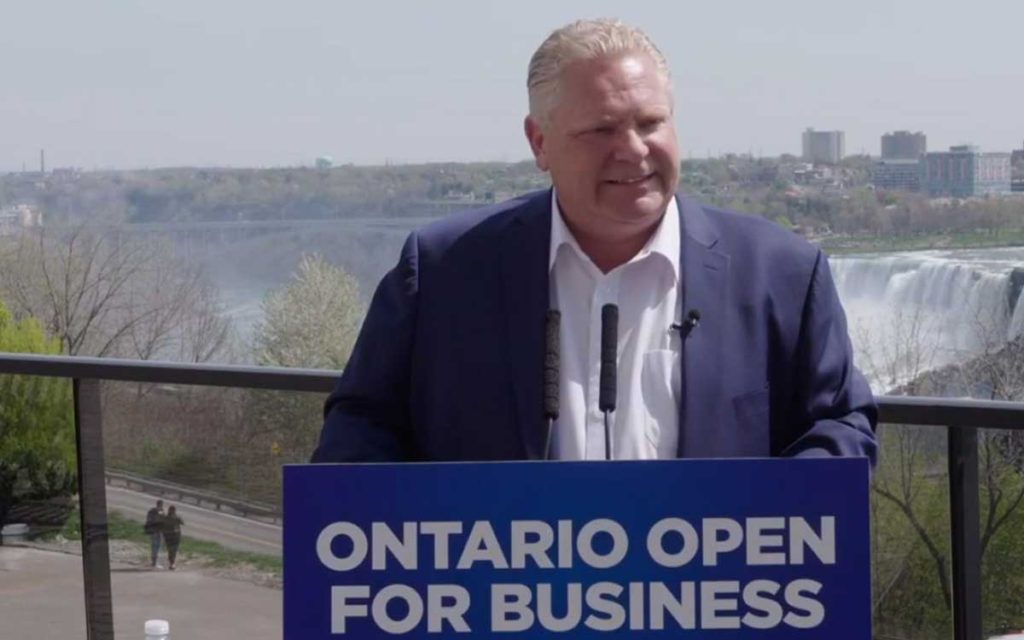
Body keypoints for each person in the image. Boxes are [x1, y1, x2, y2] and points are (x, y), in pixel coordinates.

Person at [312, 18, 877, 464]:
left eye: (650, 122)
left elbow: (839, 426)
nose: (632, 150)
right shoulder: (441, 273)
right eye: (602, 129)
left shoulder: (782, 274)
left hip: (711, 603)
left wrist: (784, 512)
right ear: (540, 143)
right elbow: (361, 429)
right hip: (503, 602)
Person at [161, 505, 184, 571]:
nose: (172, 511)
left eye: (173, 510)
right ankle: (171, 563)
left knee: (173, 550)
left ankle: (172, 563)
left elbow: (182, 522)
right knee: (171, 550)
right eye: (172, 510)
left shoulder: (175, 518)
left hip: (174, 536)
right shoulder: (168, 518)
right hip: (170, 536)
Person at [143, 499, 164, 568]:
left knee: (154, 546)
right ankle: (154, 562)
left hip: (152, 531)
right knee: (157, 547)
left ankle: (153, 562)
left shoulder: (151, 511)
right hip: (157, 531)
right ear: (160, 504)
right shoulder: (159, 511)